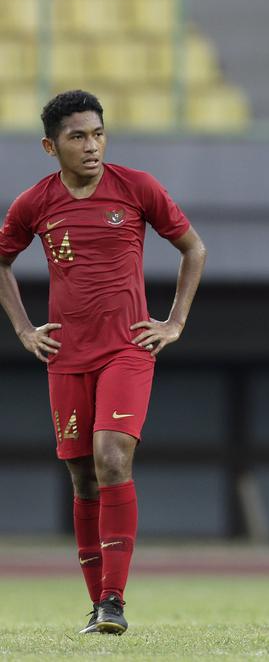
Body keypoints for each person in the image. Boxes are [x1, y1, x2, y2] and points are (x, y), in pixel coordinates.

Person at [0, 90, 207, 635]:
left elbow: (194, 248)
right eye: (77, 137)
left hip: (126, 349)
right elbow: (1, 260)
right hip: (67, 356)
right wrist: (23, 328)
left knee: (111, 457)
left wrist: (174, 322)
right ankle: (99, 607)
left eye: (98, 134)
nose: (92, 146)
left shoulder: (136, 187)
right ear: (51, 146)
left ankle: (114, 600)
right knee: (82, 476)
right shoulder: (34, 204)